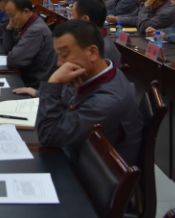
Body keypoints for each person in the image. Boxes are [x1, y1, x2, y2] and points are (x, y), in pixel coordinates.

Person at [34, 19, 142, 166]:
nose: (59, 63)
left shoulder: (104, 103)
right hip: (83, 152)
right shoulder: (106, 69)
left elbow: (48, 135)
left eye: (64, 55)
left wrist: (54, 83)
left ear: (92, 52)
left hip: (91, 171)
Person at [2, 0, 57, 87]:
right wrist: (8, 30)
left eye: (12, 15)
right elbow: (9, 50)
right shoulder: (29, 24)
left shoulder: (35, 30)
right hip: (28, 76)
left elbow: (14, 60)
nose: (10, 20)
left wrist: (12, 52)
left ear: (26, 12)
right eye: (8, 16)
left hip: (35, 84)